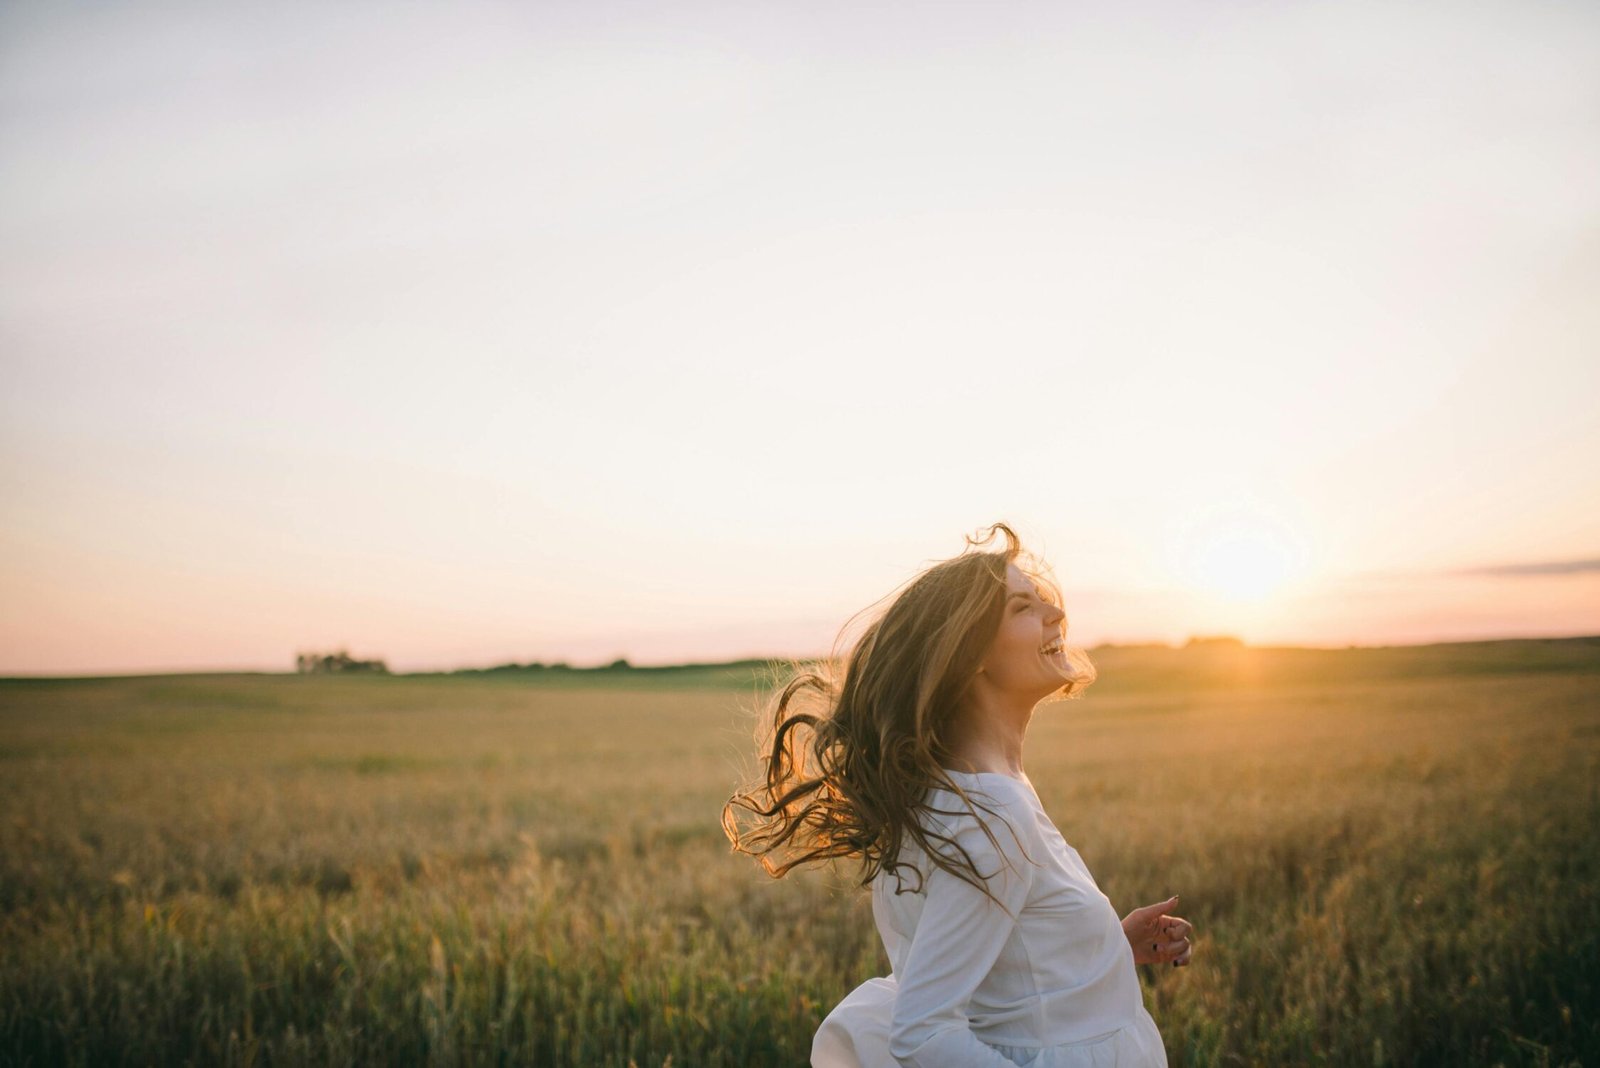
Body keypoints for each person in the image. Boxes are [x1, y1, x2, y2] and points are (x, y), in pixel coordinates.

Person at [722, 522, 1193, 1067]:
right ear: (969, 654)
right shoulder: (992, 813)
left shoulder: (971, 794)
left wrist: (1106, 947)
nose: (1057, 615)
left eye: (1044, 601)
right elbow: (923, 1033)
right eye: (1023, 608)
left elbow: (1004, 977)